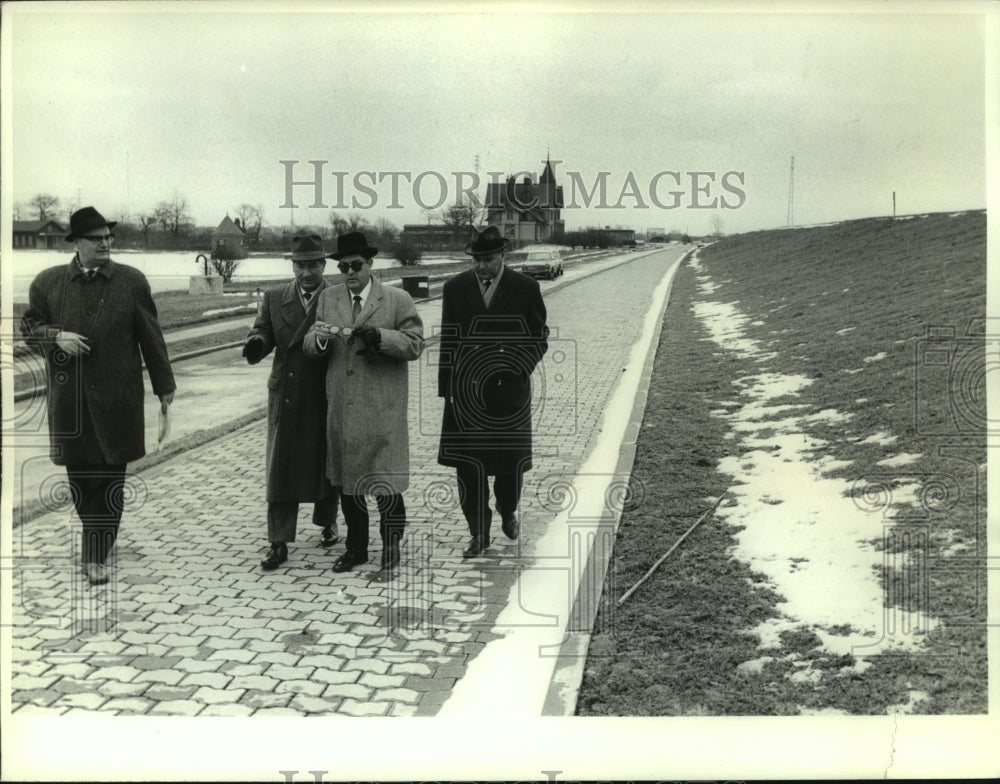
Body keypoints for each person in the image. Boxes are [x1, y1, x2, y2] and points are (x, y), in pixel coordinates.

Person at [20, 206, 176, 585]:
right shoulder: (48, 282)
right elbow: (29, 326)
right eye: (97, 239)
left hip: (118, 402)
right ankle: (97, 543)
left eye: (109, 238)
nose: (106, 244)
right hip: (70, 403)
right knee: (81, 481)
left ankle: (94, 556)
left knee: (109, 482)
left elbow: (151, 338)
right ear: (77, 243)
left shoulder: (132, 282)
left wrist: (165, 390)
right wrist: (56, 336)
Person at [303, 231, 423, 582]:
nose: (349, 272)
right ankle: (355, 547)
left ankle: (391, 545)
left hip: (382, 408)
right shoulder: (328, 298)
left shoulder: (397, 300)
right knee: (349, 484)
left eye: (356, 265)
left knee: (385, 482)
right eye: (343, 266)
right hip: (343, 407)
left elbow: (416, 344)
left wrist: (382, 338)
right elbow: (311, 343)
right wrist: (319, 340)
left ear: (371, 265)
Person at [437, 225, 549, 557]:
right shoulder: (454, 288)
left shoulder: (525, 288)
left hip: (508, 394)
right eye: (477, 260)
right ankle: (478, 532)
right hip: (466, 395)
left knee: (509, 466)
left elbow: (538, 335)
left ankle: (507, 507)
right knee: (468, 468)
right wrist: (448, 390)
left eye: (488, 259)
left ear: (502, 255)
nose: (482, 266)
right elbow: (449, 339)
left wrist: (518, 367)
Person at [243, 233, 340, 570]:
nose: (305, 273)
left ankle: (328, 522)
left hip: (324, 391)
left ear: (323, 265)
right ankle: (278, 541)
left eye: (312, 265)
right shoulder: (273, 297)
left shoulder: (336, 297)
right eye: (299, 266)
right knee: (281, 468)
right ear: (293, 267)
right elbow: (263, 330)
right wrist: (257, 342)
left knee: (325, 463)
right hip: (285, 392)